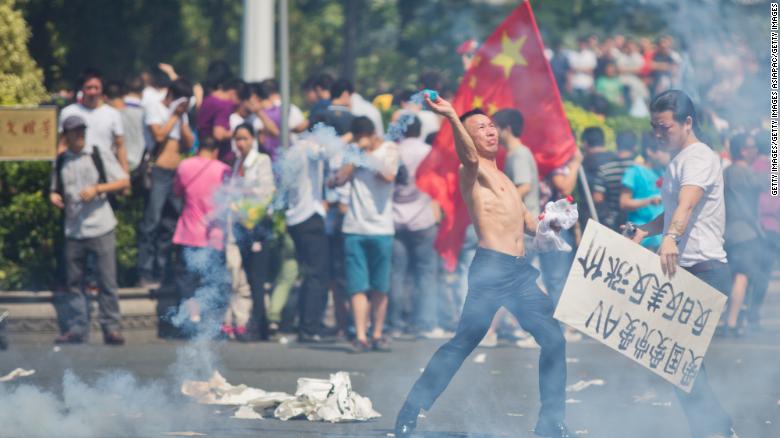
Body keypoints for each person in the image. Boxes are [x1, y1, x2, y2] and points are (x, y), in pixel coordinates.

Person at [395, 97, 569, 438]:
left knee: (554, 340)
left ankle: (551, 422)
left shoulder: (504, 178)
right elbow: (469, 156)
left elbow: (529, 224)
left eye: (491, 126)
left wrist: (554, 223)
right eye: (480, 128)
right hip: (491, 271)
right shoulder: (470, 171)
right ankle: (410, 410)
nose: (489, 132)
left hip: (518, 273)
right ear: (467, 137)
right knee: (462, 344)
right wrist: (450, 117)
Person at [629, 90, 736, 438]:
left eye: (664, 127)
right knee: (677, 361)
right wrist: (646, 230)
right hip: (685, 270)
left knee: (678, 359)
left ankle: (716, 429)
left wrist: (670, 238)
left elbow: (687, 205)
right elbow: (673, 208)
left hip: (705, 270)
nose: (658, 134)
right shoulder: (677, 159)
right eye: (654, 127)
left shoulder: (699, 158)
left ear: (687, 122)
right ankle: (712, 428)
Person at [49, 115, 130, 345]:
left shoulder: (97, 153)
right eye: (75, 131)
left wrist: (97, 188)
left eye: (82, 130)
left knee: (107, 280)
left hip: (101, 224)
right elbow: (54, 188)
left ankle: (112, 327)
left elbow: (123, 181)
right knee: (74, 282)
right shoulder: (61, 160)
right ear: (66, 135)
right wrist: (54, 196)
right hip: (74, 228)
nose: (80, 135)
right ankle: (77, 327)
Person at [330, 116, 399, 353]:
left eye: (363, 138)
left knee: (380, 286)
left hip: (382, 229)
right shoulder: (353, 152)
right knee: (357, 287)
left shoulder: (389, 149)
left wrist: (366, 156)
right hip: (354, 228)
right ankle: (360, 335)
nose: (361, 142)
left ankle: (377, 333)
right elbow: (337, 180)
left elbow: (389, 175)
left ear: (371, 134)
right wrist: (354, 158)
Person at [137, 79, 195, 288]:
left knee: (170, 223)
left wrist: (183, 120)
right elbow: (159, 135)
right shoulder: (156, 108)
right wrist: (175, 115)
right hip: (159, 171)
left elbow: (188, 144)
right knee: (151, 221)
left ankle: (162, 271)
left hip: (176, 173)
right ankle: (145, 271)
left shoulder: (182, 115)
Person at [172, 136, 231, 335]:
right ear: (215, 151)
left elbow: (176, 191)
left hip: (187, 232)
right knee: (211, 280)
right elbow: (228, 202)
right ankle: (211, 324)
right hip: (213, 236)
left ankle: (193, 317)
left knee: (187, 280)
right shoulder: (223, 169)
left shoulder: (184, 166)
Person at [389, 115, 441, 338]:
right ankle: (425, 323)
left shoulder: (392, 150)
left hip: (395, 218)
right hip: (424, 218)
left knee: (396, 274)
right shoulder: (429, 152)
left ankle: (395, 323)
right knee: (426, 274)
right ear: (420, 131)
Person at [280, 132, 332, 343]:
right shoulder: (309, 148)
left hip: (295, 218)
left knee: (309, 274)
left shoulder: (292, 150)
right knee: (317, 275)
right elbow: (325, 152)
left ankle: (305, 324)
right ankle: (310, 327)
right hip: (309, 216)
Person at [226, 123, 275, 341]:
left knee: (257, 278)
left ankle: (259, 324)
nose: (240, 143)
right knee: (248, 276)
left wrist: (243, 190)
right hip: (241, 224)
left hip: (257, 224)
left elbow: (266, 191)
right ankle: (256, 323)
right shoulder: (238, 163)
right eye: (237, 139)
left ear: (252, 140)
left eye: (244, 138)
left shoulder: (261, 160)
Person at [722, 133, 763, 337]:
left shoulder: (726, 171)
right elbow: (771, 187)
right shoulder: (744, 171)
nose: (754, 150)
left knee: (732, 276)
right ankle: (731, 322)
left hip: (727, 231)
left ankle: (731, 318)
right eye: (750, 147)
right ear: (742, 150)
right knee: (742, 276)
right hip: (744, 233)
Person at [59, 69, 128, 173]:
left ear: (102, 89)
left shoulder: (113, 114)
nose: (92, 92)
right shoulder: (68, 112)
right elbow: (62, 143)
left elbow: (120, 145)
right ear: (82, 89)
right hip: (75, 168)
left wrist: (125, 174)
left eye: (96, 88)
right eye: (89, 88)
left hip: (105, 170)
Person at [620, 132, 667, 251]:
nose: (667, 154)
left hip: (659, 238)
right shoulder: (634, 172)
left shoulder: (664, 173)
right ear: (650, 151)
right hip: (638, 236)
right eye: (663, 150)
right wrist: (649, 201)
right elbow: (624, 203)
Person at [581, 127, 624, 231]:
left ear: (585, 144)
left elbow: (594, 197)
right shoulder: (616, 158)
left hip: (595, 219)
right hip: (620, 218)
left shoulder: (585, 162)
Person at [197, 78, 244, 164]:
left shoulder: (207, 100)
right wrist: (238, 133)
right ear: (233, 93)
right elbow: (219, 134)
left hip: (202, 153)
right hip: (219, 157)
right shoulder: (223, 105)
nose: (237, 104)